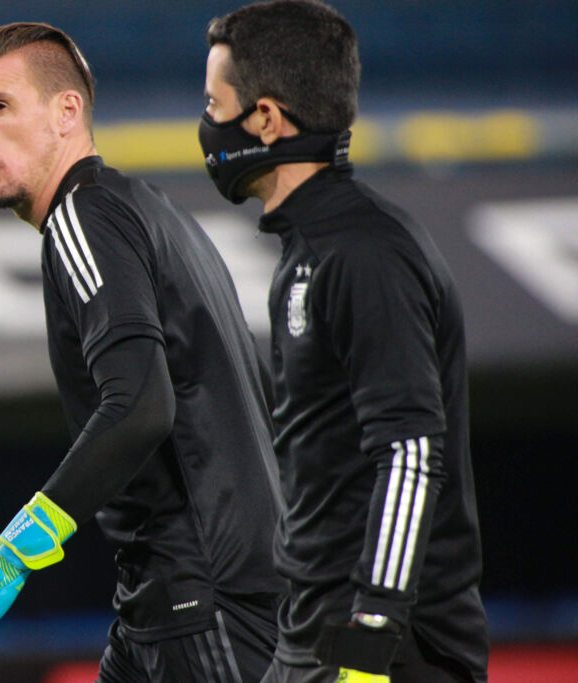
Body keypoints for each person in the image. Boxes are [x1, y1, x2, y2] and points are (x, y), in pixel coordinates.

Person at [0, 21, 285, 681]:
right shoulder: (155, 214)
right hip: (192, 590)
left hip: (202, 594)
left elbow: (140, 406)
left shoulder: (83, 217)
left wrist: (10, 556)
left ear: (67, 112)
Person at [197, 2, 489, 682]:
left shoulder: (365, 253)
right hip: (314, 635)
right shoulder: (310, 248)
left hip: (389, 648)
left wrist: (373, 631)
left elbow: (410, 449)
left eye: (213, 104)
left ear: (266, 119)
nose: (205, 125)